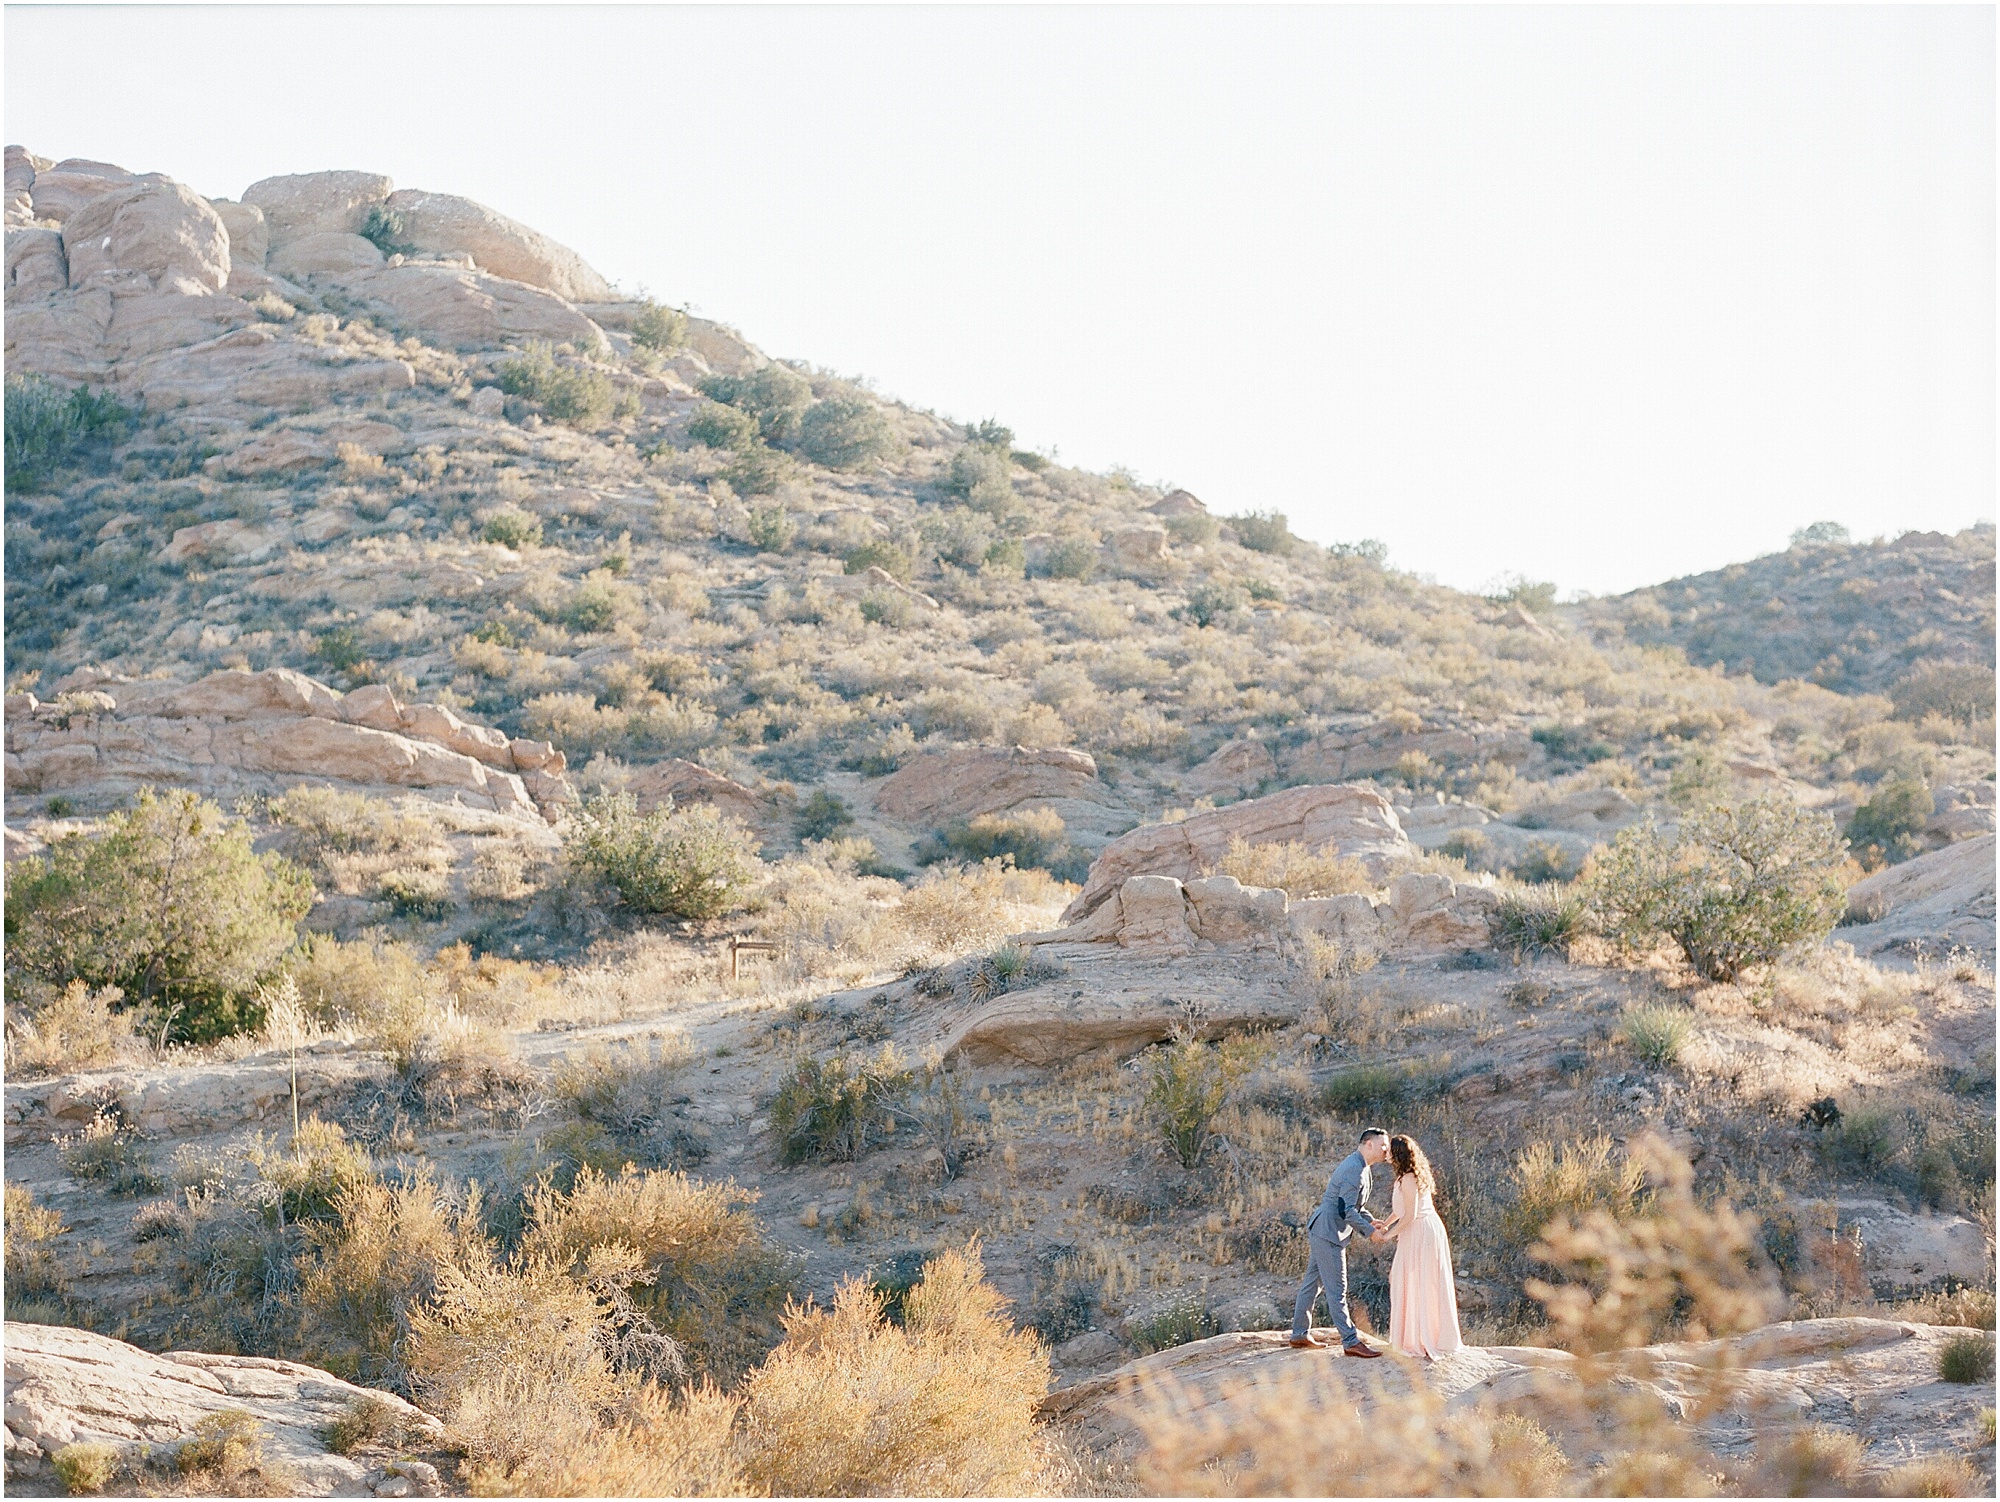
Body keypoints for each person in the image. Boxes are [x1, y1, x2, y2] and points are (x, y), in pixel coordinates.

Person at [1289, 1127, 1390, 1357]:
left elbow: (1355, 1206)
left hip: (1326, 1230)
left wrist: (1370, 1220)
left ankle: (1299, 1334)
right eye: (1383, 1146)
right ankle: (1350, 1341)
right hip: (1329, 1232)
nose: (1386, 1150)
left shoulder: (1362, 1167)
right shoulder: (1354, 1169)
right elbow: (1346, 1210)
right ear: (1369, 1144)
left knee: (1312, 1284)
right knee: (1337, 1290)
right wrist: (1369, 1232)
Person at [1371, 1133, 1464, 1361]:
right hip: (1417, 1230)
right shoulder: (1406, 1176)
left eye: (1389, 1150)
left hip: (1421, 1231)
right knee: (1406, 1280)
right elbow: (1404, 1208)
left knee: (1421, 1282)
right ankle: (1414, 1335)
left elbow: (1411, 1214)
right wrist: (1387, 1222)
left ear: (1398, 1153)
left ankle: (1422, 1338)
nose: (1386, 1154)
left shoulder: (1409, 1178)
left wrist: (1388, 1236)